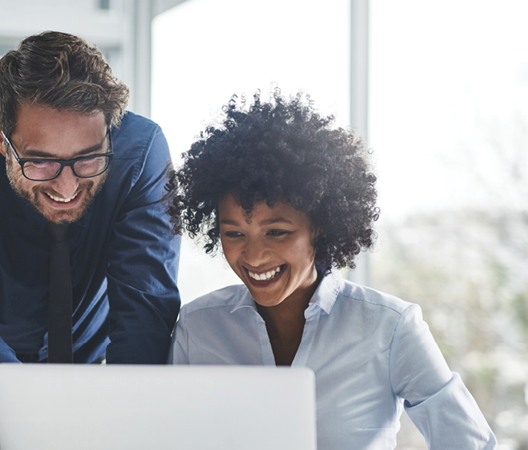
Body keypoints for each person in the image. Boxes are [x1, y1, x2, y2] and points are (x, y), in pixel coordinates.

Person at [167, 90, 496, 449]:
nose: (254, 255)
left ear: (320, 226)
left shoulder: (389, 328)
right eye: (234, 234)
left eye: (276, 232)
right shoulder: (198, 328)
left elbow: (469, 443)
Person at [0, 31, 181, 450]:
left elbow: (145, 304)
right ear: (0, 138)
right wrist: (37, 408)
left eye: (88, 157)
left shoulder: (141, 153)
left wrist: (129, 412)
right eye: (41, 162)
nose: (67, 185)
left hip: (99, 380)